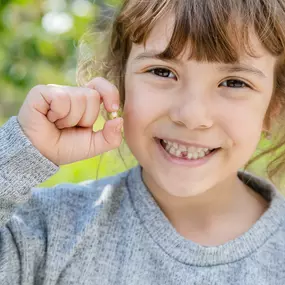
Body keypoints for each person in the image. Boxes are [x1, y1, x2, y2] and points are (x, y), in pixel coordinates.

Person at [1, 0, 285, 284]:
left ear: (273, 108)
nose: (191, 115)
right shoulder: (47, 230)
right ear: (120, 84)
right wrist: (17, 160)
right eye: (162, 72)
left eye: (234, 82)